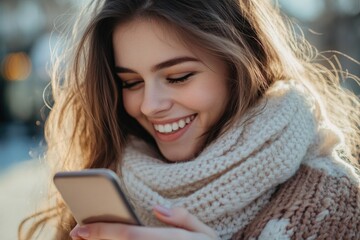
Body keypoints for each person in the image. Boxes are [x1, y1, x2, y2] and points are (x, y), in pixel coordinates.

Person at [20, 0, 360, 239]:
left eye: (179, 76)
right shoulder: (109, 185)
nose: (150, 106)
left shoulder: (336, 204)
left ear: (239, 64)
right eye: (131, 83)